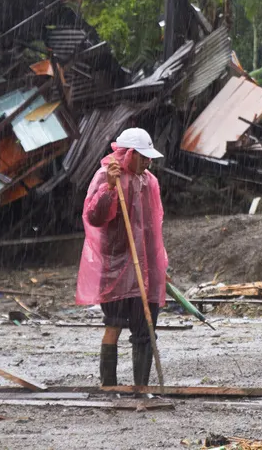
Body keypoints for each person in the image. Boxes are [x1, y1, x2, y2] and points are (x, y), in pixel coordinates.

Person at [76, 127, 167, 387]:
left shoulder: (150, 181)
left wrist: (161, 263)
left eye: (149, 157)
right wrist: (110, 189)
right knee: (114, 324)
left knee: (145, 328)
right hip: (115, 266)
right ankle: (109, 385)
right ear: (127, 154)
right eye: (142, 156)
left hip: (145, 268)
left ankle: (141, 388)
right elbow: (94, 216)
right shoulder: (105, 176)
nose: (148, 162)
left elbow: (154, 226)